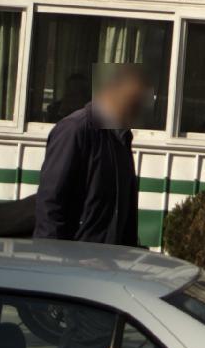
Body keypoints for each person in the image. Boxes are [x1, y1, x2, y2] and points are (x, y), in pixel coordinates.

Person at [34, 61, 150, 245]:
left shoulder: (121, 136)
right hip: (76, 255)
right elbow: (51, 202)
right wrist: (53, 254)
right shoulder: (75, 129)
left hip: (110, 256)